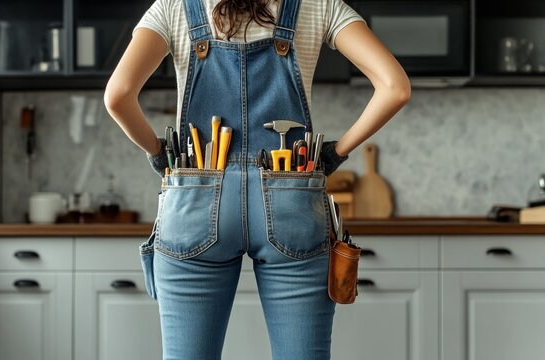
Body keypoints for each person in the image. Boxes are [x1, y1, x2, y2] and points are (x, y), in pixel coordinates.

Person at [104, 0, 410, 357]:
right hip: (291, 202)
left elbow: (118, 96)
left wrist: (159, 151)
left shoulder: (173, 7)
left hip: (195, 203)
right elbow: (395, 87)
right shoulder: (319, 6)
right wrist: (336, 151)